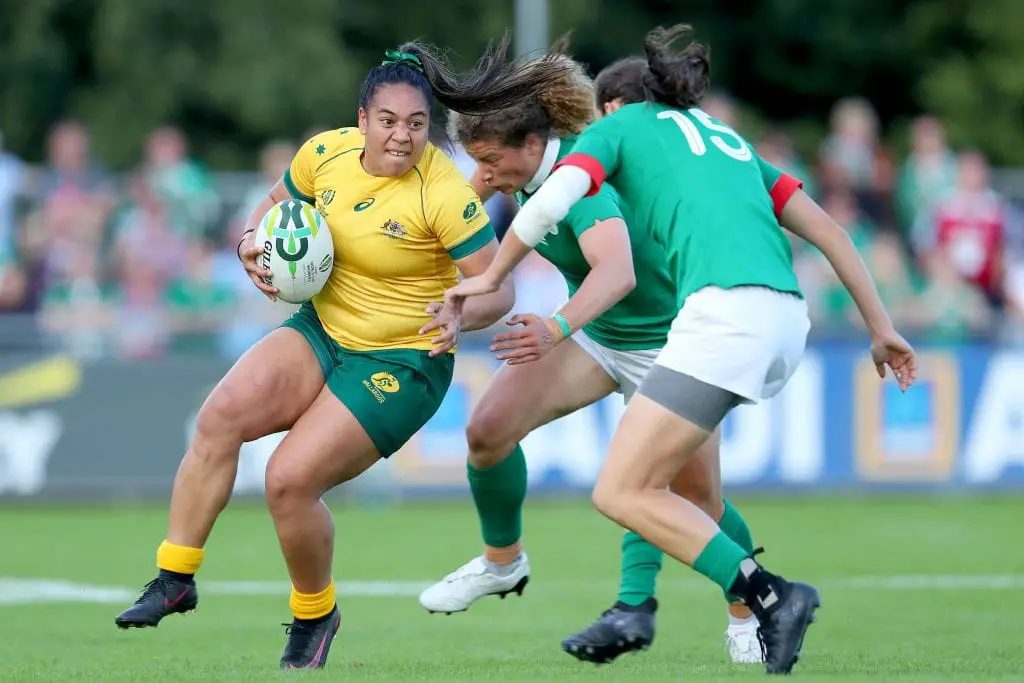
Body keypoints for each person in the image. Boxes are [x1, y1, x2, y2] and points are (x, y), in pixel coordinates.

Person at [445, 26, 918, 675]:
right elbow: (831, 230)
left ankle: (763, 597)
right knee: (666, 490)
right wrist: (881, 326)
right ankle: (659, 605)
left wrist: (495, 275)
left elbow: (558, 198)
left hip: (713, 320)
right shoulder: (731, 143)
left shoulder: (619, 133)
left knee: (626, 488)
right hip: (783, 318)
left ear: (616, 108)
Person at [113, 37, 577, 670]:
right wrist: (253, 238)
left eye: (416, 125)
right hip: (322, 329)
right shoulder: (324, 155)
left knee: (288, 481)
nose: (401, 137)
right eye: (387, 122)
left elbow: (500, 286)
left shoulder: (442, 192)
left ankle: (315, 614)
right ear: (362, 121)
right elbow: (277, 202)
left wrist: (460, 309)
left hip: (402, 361)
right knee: (219, 418)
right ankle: (175, 577)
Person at [417, 46, 764, 665]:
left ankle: (752, 612)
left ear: (531, 144)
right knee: (488, 431)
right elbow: (490, 259)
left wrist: (552, 329)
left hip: (673, 344)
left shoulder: (580, 180)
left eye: (491, 161)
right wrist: (456, 308)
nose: (482, 176)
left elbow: (618, 273)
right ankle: (503, 563)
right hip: (601, 336)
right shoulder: (522, 169)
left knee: (696, 502)